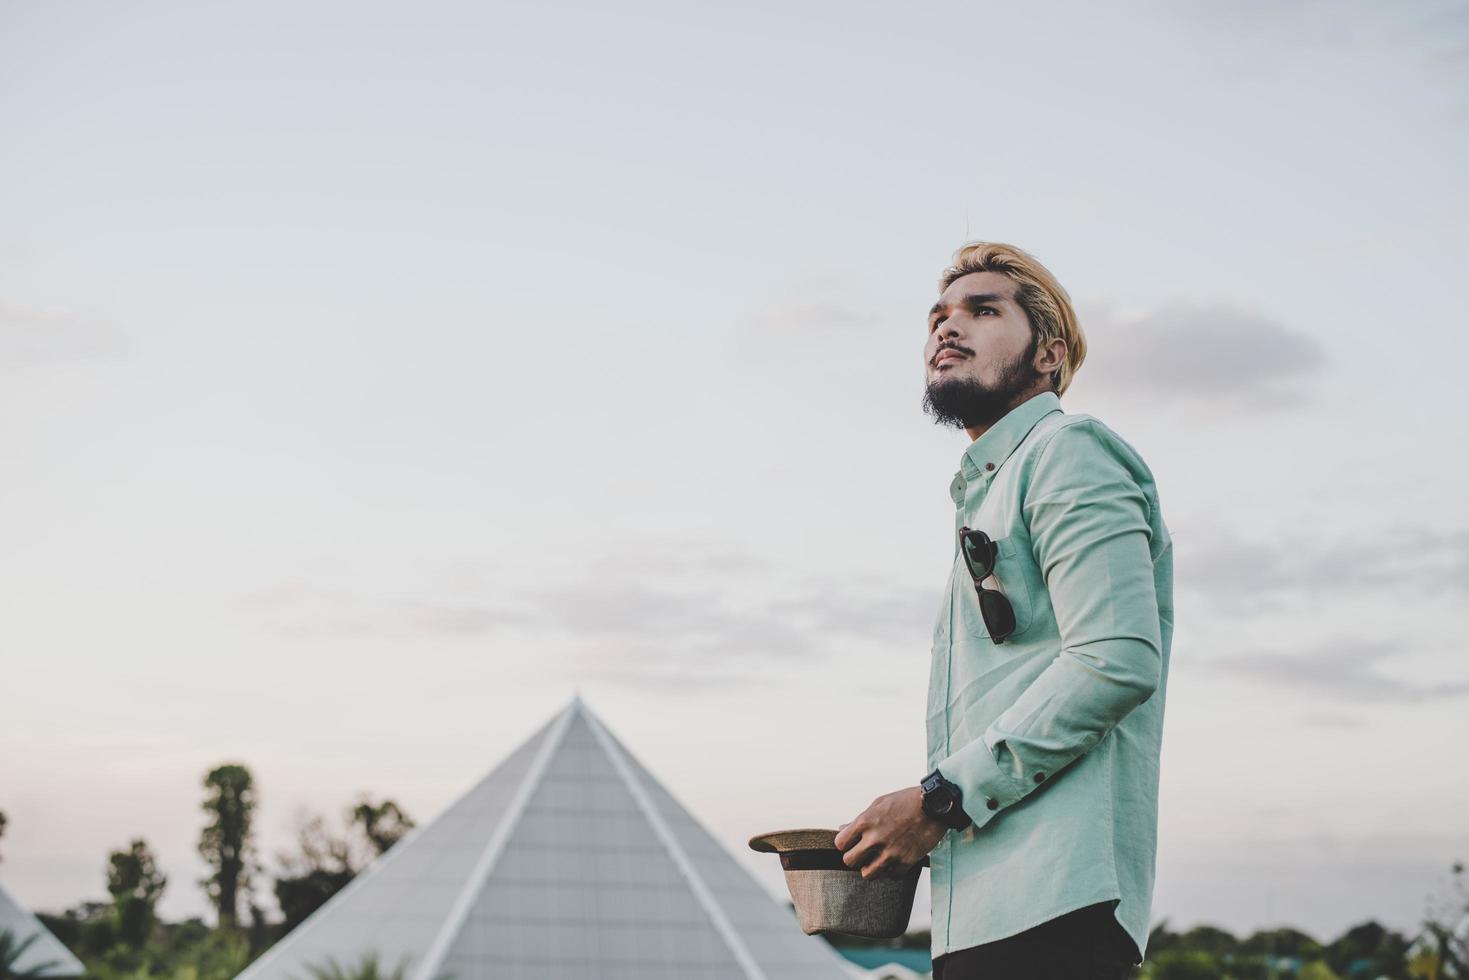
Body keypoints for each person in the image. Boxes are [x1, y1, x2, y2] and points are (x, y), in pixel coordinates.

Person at [832, 242, 1174, 979]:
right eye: (939, 316)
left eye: (983, 311)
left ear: (1048, 354)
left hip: (1056, 901)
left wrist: (937, 800)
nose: (947, 328)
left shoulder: (1068, 451)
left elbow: (1115, 660)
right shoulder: (985, 488)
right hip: (981, 910)